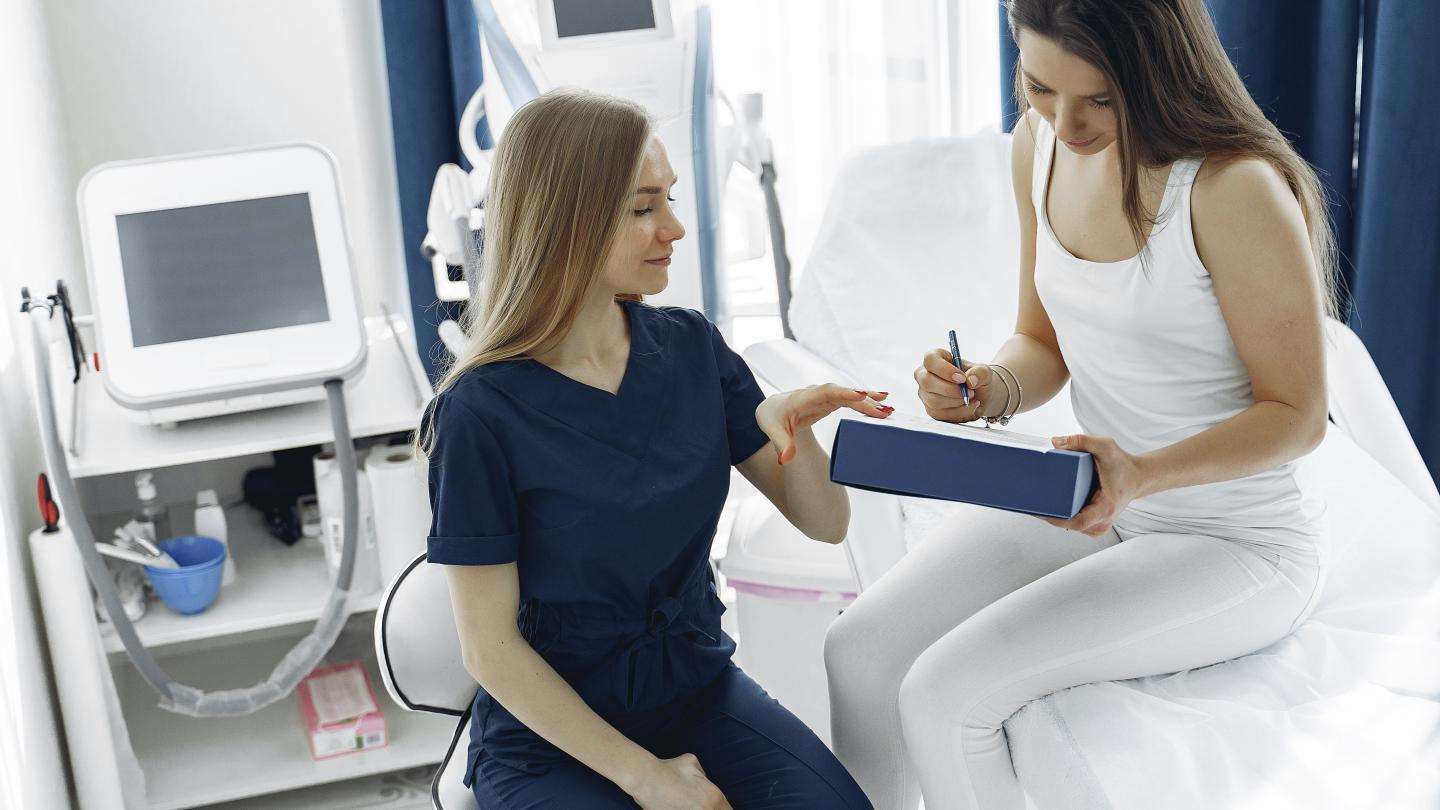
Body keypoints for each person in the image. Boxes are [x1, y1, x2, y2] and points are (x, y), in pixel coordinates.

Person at [824, 1, 1337, 808]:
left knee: (944, 696)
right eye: (1039, 87)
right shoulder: (1039, 150)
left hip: (1234, 540)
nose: (1065, 122)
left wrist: (1142, 474)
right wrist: (987, 388)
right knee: (858, 652)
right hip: (1096, 502)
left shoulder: (1232, 189)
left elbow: (1299, 414)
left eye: (1098, 98)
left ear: (1155, 71)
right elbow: (1042, 341)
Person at [415, 88, 880, 809]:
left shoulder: (690, 348)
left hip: (695, 694)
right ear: (565, 224)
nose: (675, 227)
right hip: (552, 739)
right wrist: (648, 779)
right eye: (643, 208)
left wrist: (801, 431)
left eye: (668, 199)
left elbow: (826, 523)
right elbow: (489, 649)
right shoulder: (479, 414)